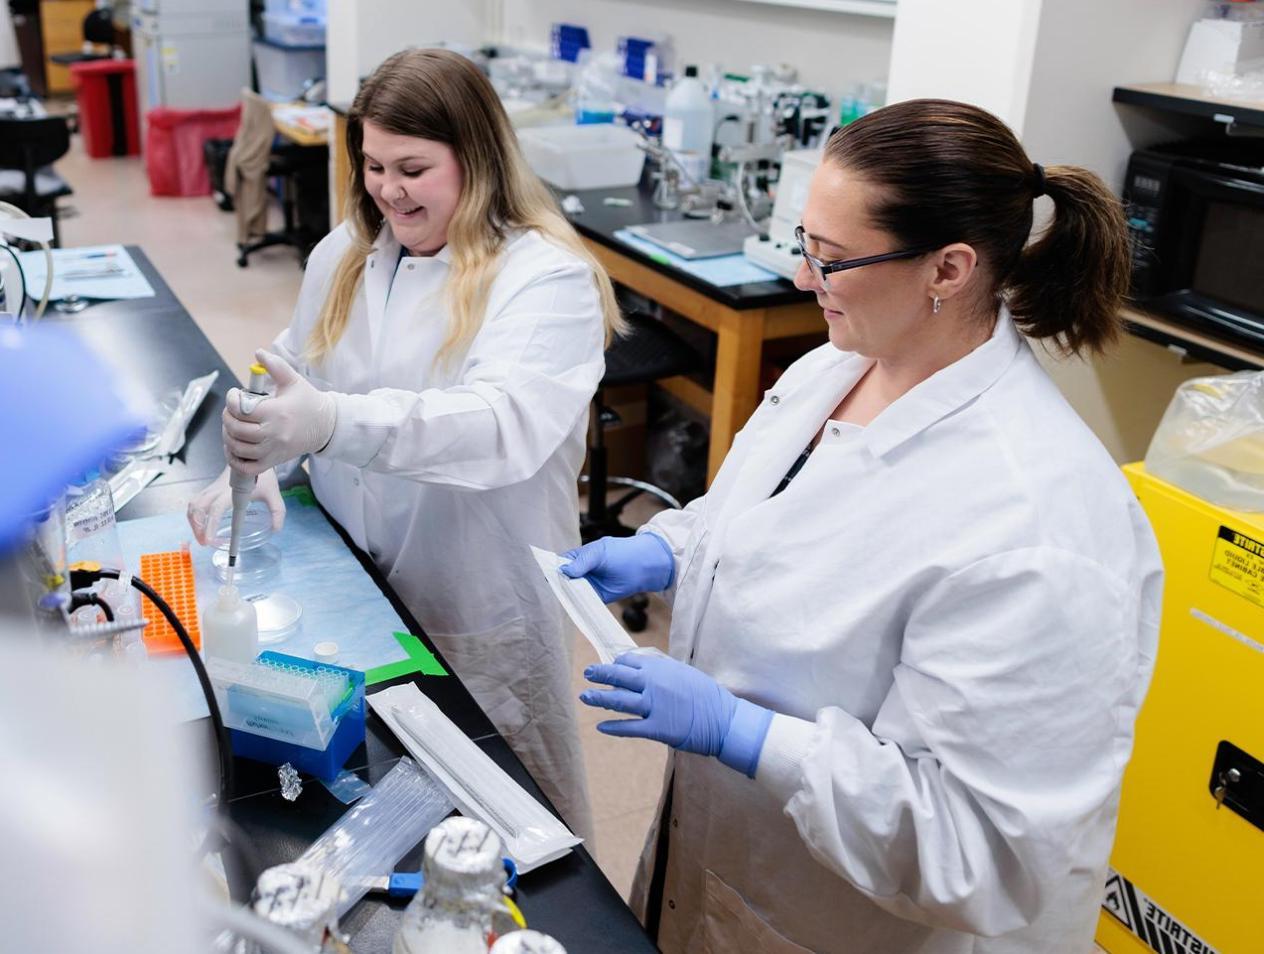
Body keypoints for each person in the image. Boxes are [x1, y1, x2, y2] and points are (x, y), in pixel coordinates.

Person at [563, 99, 1164, 953]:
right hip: (722, 860)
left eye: (831, 259)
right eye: (806, 244)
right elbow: (773, 517)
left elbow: (980, 853)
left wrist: (747, 736)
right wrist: (671, 548)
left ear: (947, 270)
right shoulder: (839, 363)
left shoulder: (1039, 526)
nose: (803, 279)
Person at [187, 48, 624, 841]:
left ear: (479, 160)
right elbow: (294, 366)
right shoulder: (349, 255)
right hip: (359, 584)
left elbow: (497, 426)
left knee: (510, 821)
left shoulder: (545, 279)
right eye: (374, 165)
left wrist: (327, 425)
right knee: (371, 802)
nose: (387, 189)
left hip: (476, 593)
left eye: (413, 168)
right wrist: (261, 457)